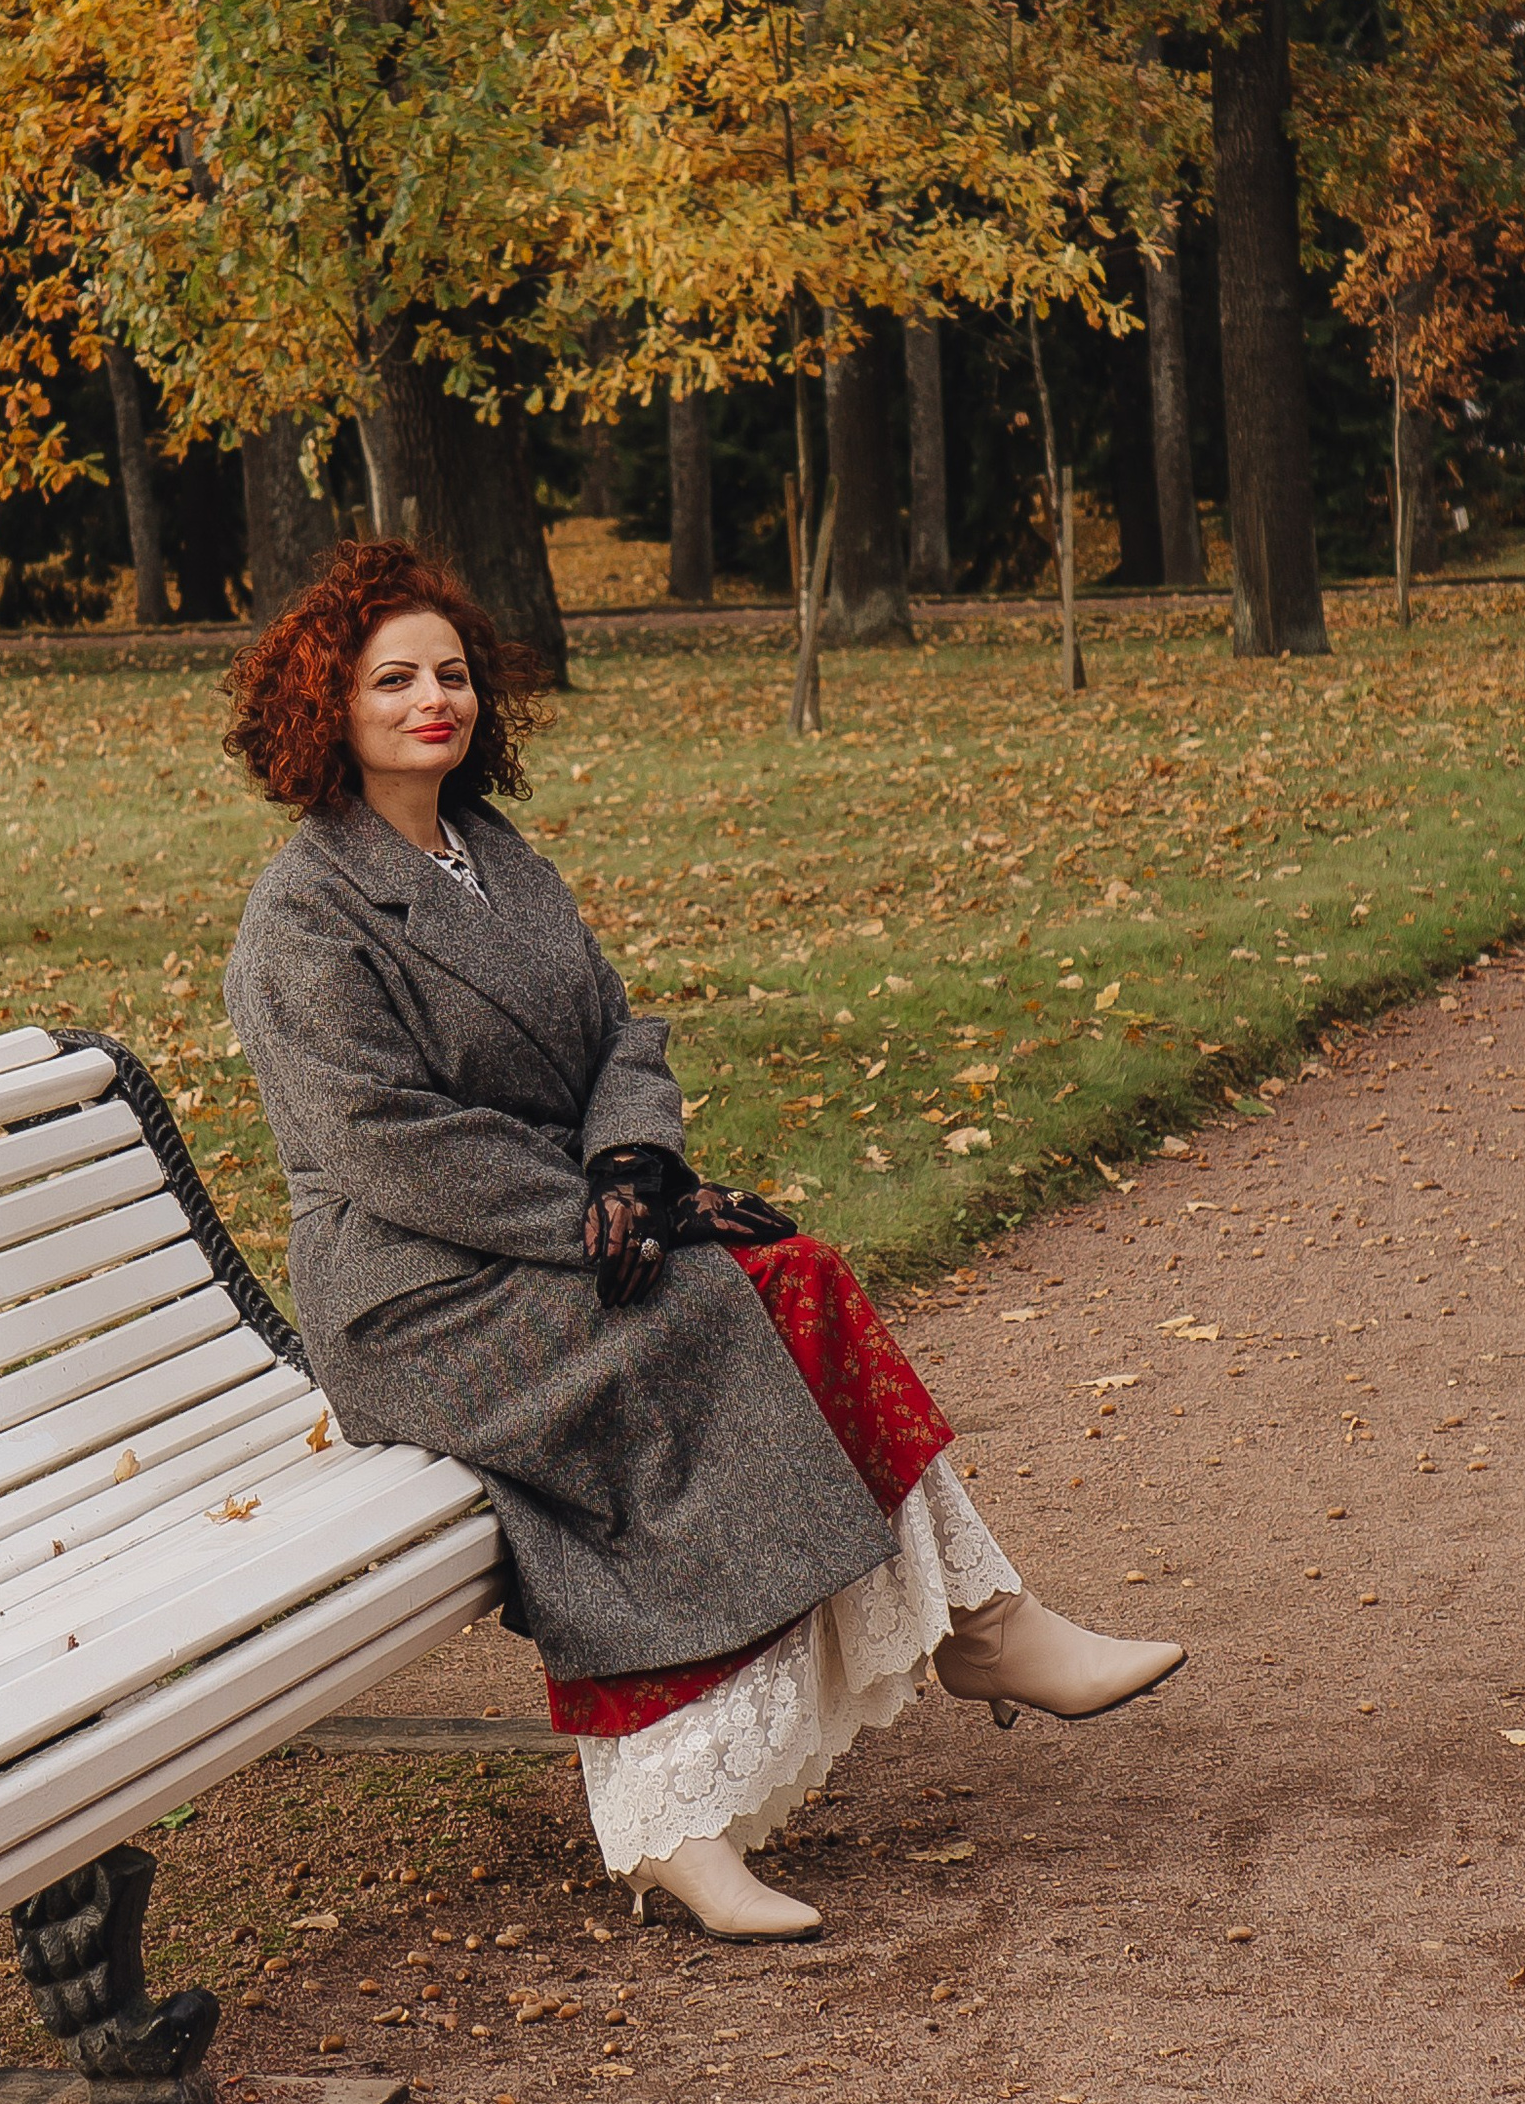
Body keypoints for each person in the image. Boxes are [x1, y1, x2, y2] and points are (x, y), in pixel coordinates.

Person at [221, 541, 1184, 1940]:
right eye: (394, 679)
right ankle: (678, 1811)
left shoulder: (497, 858)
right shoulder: (304, 916)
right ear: (328, 705)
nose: (435, 699)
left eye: (451, 674)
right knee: (710, 1315)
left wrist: (635, 1161)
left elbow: (624, 1033)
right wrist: (620, 1215)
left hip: (553, 1235)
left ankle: (980, 1623)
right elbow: (388, 1148)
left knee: (790, 1273)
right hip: (416, 1299)